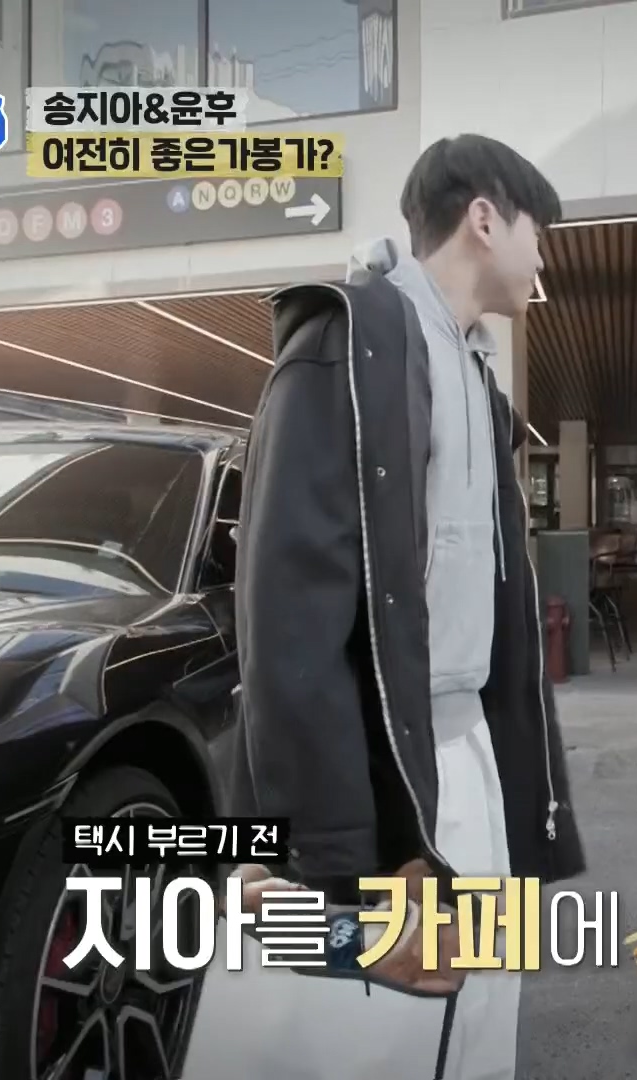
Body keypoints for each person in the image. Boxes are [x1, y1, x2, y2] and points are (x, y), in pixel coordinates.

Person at [187, 134, 585, 1080]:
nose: (543, 258)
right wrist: (337, 864)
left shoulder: (473, 371)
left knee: (474, 1020)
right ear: (485, 219)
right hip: (384, 780)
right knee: (359, 1042)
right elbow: (289, 622)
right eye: (538, 231)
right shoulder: (347, 342)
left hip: (465, 755)